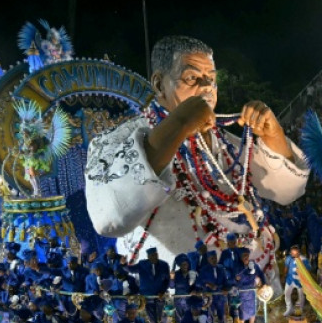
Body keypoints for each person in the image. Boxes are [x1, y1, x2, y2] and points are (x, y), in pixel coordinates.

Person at [84, 35, 309, 292]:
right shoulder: (117, 141)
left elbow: (285, 191)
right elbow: (110, 219)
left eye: (210, 79)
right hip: (181, 303)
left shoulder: (227, 142)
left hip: (256, 289)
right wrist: (180, 124)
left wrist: (274, 135)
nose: (205, 88)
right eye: (191, 78)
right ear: (159, 84)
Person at [134, 247, 170, 323]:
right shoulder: (143, 265)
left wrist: (163, 291)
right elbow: (131, 269)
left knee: (162, 316)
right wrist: (123, 264)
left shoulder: (164, 265)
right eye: (152, 255)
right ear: (148, 257)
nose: (154, 257)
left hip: (160, 296)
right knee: (152, 319)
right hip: (148, 297)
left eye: (155, 255)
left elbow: (167, 280)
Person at [233, 248, 264, 323]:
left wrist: (261, 281)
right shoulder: (237, 267)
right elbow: (236, 279)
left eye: (247, 255)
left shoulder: (253, 264)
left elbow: (260, 274)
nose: (246, 257)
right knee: (242, 314)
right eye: (244, 256)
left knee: (252, 312)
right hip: (242, 294)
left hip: (252, 293)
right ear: (240, 257)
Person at [283, 245, 307, 316]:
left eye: (296, 254)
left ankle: (301, 309)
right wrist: (284, 275)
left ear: (299, 252)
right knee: (286, 294)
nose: (294, 255)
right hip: (290, 280)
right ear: (290, 253)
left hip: (300, 281)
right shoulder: (288, 258)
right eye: (292, 253)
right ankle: (289, 308)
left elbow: (308, 269)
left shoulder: (304, 259)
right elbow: (286, 267)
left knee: (301, 296)